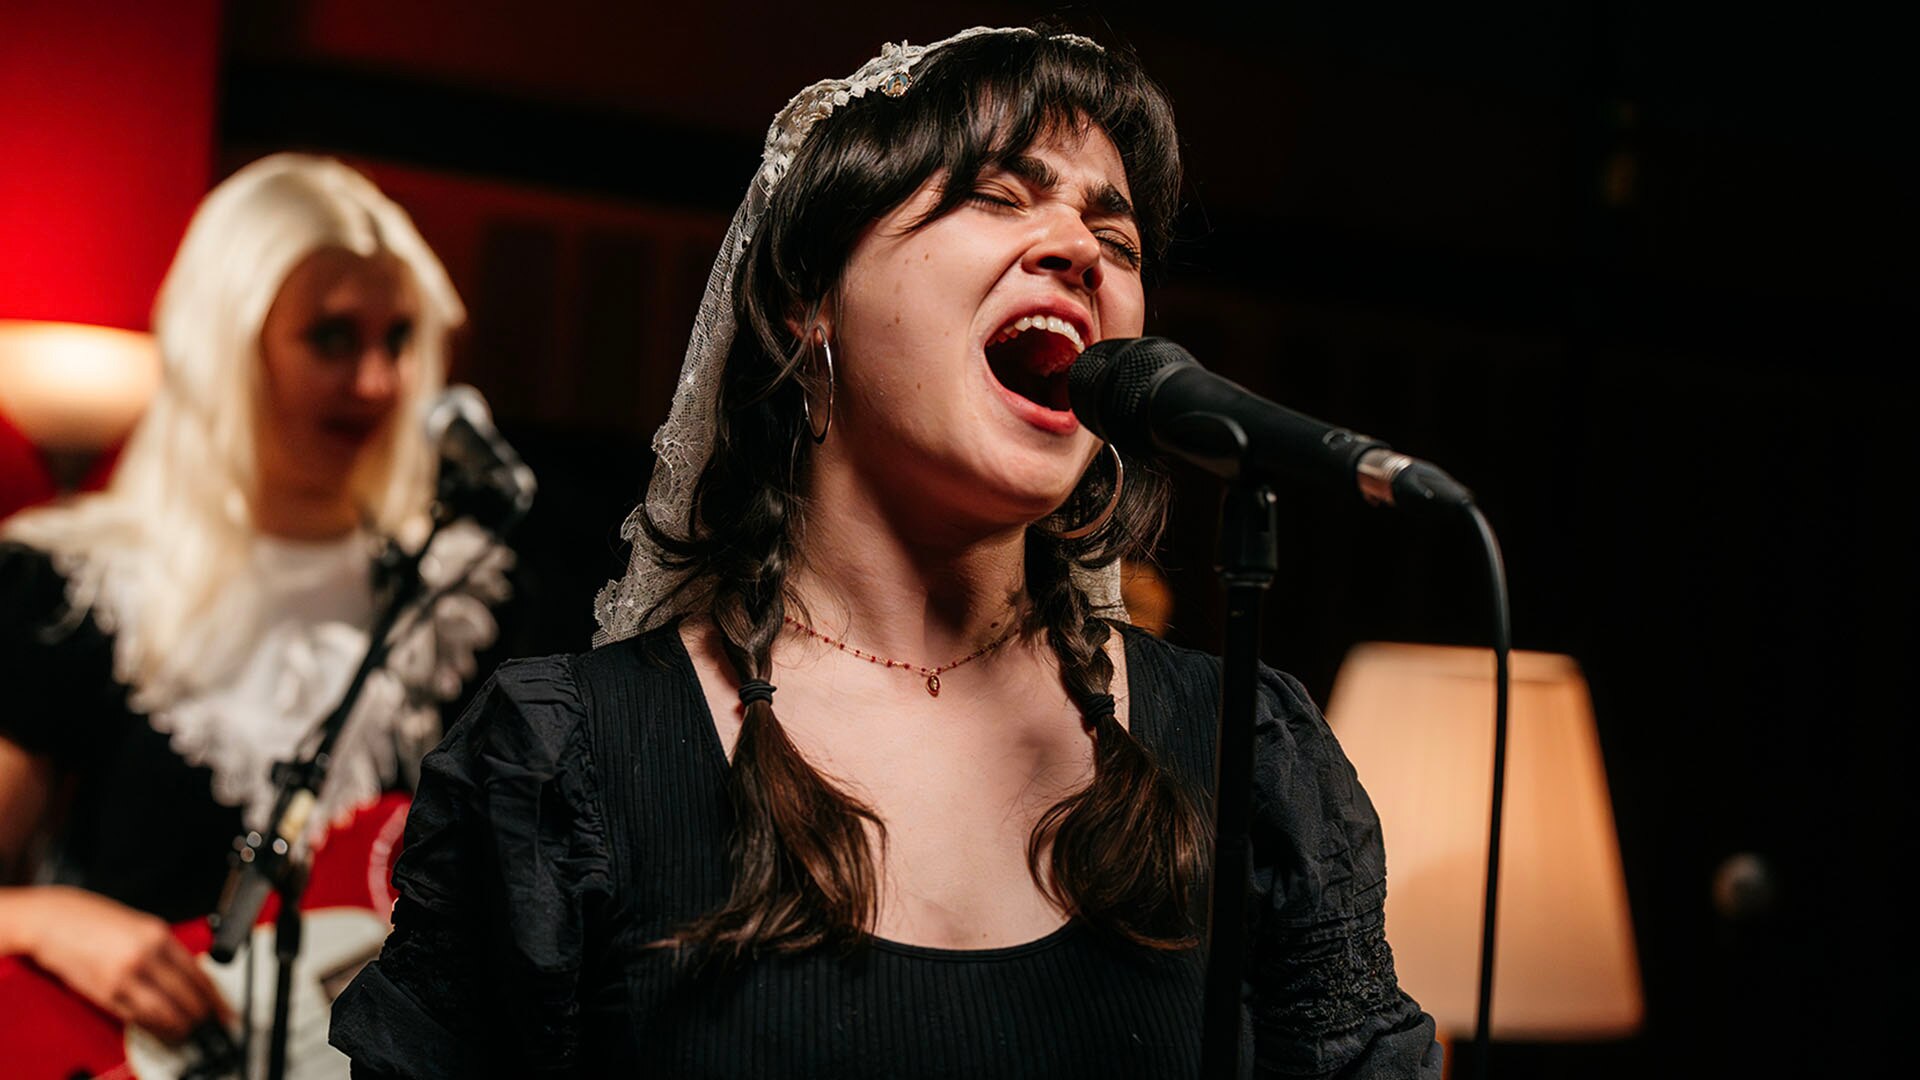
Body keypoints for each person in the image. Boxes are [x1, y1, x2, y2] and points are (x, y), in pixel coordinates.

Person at [331, 26, 1440, 1078]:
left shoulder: (1252, 752)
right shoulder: (566, 761)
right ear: (808, 299)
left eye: (1116, 240)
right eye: (997, 197)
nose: (1073, 250)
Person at [0, 153, 514, 1049]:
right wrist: (48, 921)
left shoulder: (460, 597)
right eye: (331, 337)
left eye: (396, 338)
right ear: (228, 349)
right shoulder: (76, 589)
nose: (379, 382)